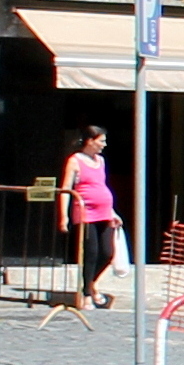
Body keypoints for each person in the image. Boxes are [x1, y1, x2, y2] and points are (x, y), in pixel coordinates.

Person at [57, 126, 122, 309]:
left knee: (107, 253)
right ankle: (86, 294)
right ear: (90, 141)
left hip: (104, 212)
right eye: (101, 141)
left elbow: (101, 186)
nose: (104, 145)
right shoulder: (75, 161)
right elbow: (66, 190)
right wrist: (64, 217)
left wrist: (112, 212)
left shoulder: (100, 161)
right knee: (91, 253)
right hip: (86, 213)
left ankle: (90, 284)